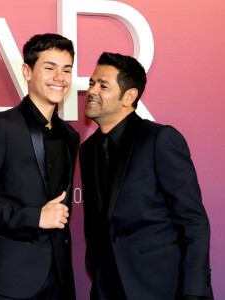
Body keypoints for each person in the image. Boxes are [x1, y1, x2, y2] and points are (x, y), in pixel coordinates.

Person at [79, 52, 213, 300]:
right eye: (91, 83)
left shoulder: (159, 140)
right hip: (107, 288)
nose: (92, 91)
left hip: (161, 287)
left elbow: (193, 221)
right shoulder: (88, 150)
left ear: (128, 96)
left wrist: (193, 292)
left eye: (103, 85)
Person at [0, 33, 79, 300]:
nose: (60, 77)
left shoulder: (70, 136)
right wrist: (35, 217)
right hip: (10, 280)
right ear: (27, 71)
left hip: (58, 279)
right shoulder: (1, 126)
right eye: (49, 67)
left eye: (66, 69)